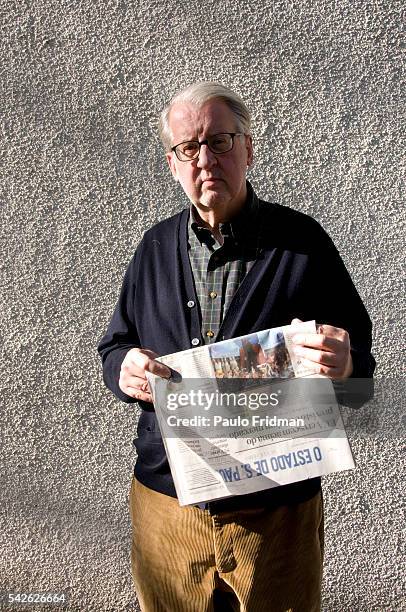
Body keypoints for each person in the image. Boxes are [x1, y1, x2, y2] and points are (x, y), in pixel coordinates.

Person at [97, 82, 375, 612]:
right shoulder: (153, 249)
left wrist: (346, 366)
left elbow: (360, 380)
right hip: (168, 508)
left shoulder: (302, 245)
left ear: (248, 148)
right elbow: (116, 345)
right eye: (188, 148)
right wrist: (123, 370)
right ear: (172, 163)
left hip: (275, 513)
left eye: (220, 142)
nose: (205, 160)